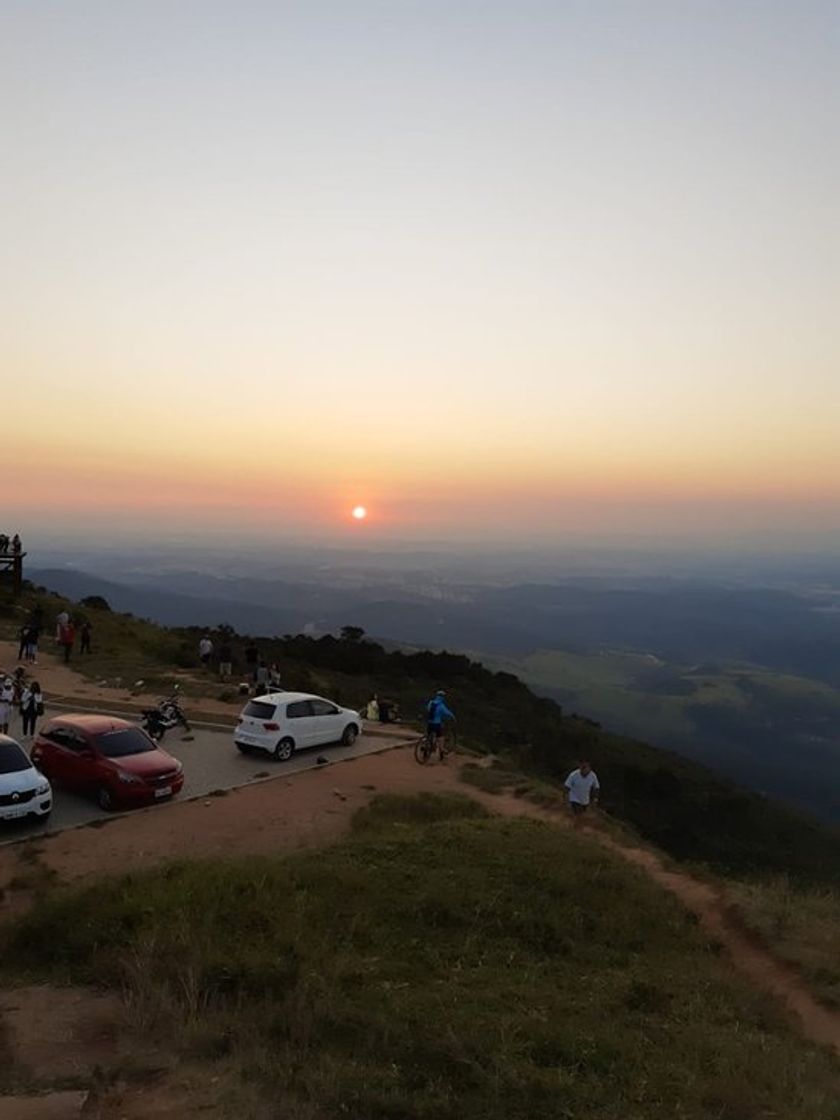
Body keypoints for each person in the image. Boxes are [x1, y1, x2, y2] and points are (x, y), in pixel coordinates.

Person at [564, 760, 600, 829]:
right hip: (574, 798)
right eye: (582, 768)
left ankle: (572, 826)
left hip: (585, 800)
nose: (584, 770)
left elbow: (596, 787)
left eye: (586, 768)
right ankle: (576, 829)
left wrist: (595, 799)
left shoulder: (593, 776)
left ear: (589, 769)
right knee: (578, 813)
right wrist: (566, 799)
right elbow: (566, 786)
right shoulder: (573, 775)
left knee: (581, 815)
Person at [426, 689, 455, 759]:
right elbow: (447, 713)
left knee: (429, 735)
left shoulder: (431, 702)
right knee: (440, 737)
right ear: (443, 697)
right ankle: (441, 752)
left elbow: (428, 709)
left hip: (429, 723)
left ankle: (427, 748)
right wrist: (453, 716)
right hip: (436, 724)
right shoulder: (441, 705)